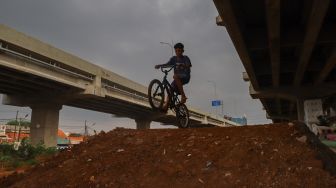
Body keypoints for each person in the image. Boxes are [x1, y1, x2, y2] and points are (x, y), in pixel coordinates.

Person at [155, 42, 192, 111]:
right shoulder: (173, 59)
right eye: (176, 51)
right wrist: (160, 65)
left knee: (175, 76)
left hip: (185, 77)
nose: (178, 52)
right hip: (177, 78)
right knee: (170, 89)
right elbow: (167, 64)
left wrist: (183, 65)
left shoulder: (185, 58)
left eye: (179, 51)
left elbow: (189, 65)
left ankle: (183, 96)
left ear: (182, 51)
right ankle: (166, 106)